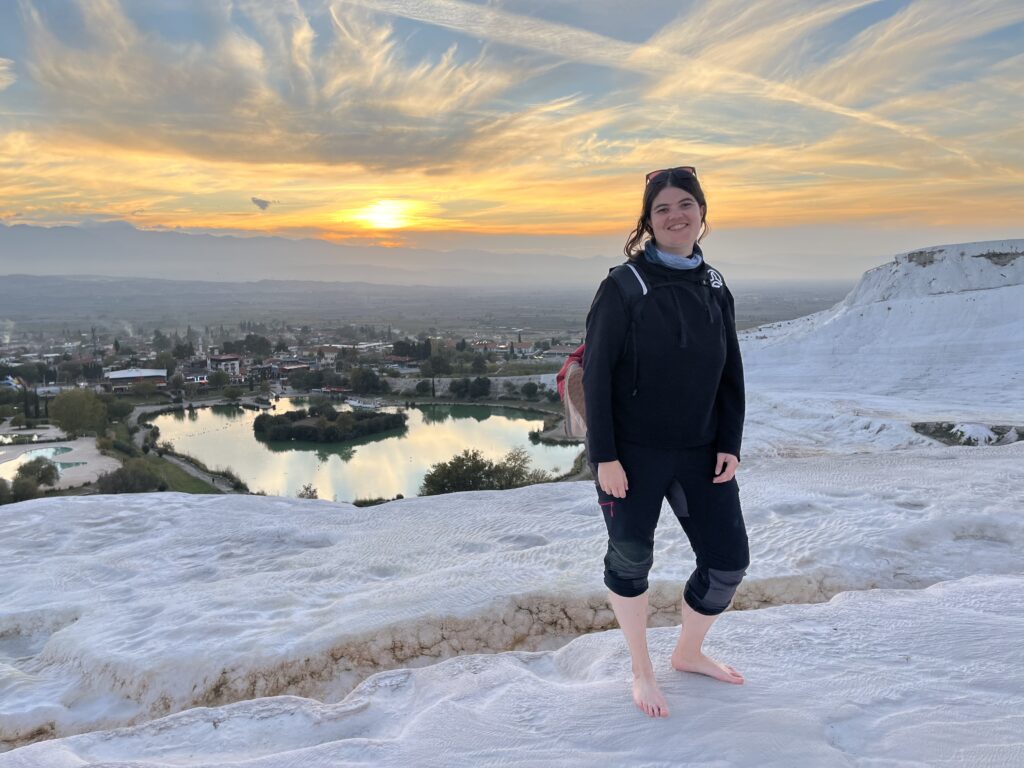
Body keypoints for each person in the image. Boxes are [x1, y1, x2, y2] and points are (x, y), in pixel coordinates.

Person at [583, 166, 749, 718]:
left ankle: (688, 652)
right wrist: (603, 455)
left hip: (702, 450)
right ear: (648, 221)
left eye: (686, 205)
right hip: (632, 454)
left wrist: (729, 439)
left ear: (702, 213)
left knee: (727, 561)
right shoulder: (623, 287)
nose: (676, 216)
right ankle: (641, 669)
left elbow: (730, 369)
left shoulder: (715, 285)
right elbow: (597, 377)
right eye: (662, 209)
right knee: (631, 562)